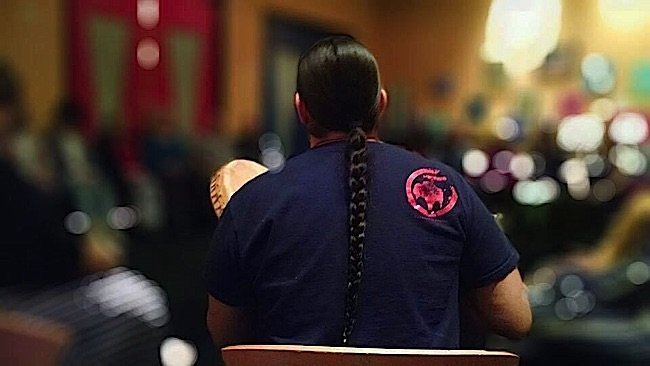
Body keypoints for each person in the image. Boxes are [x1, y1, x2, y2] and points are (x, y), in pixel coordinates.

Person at [205, 35, 531, 350]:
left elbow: (226, 335)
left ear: (301, 109)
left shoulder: (253, 201)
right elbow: (515, 318)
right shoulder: (443, 187)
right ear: (381, 103)